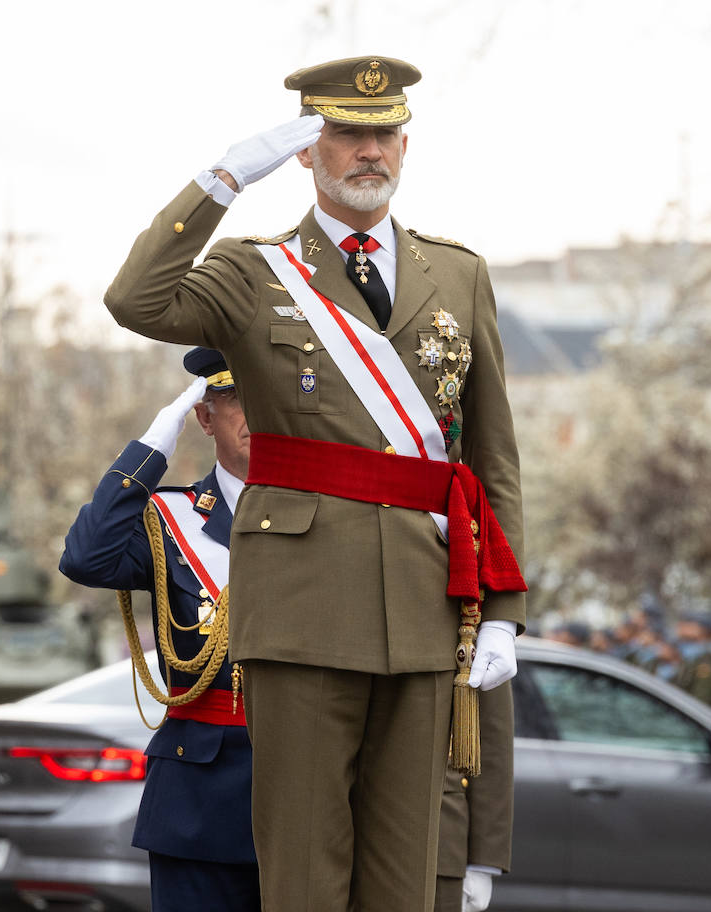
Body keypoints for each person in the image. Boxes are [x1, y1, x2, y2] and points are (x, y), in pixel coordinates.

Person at [104, 56, 526, 911]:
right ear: (306, 149)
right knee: (301, 870)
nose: (367, 151)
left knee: (406, 876)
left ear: (405, 144)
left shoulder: (459, 273)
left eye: (383, 134)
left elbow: (491, 456)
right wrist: (220, 181)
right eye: (344, 133)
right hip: (300, 604)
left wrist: (506, 611)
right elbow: (135, 300)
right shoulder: (253, 272)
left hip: (423, 602)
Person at [59, 348, 259, 912]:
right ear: (204, 416)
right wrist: (154, 443)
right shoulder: (170, 518)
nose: (257, 414)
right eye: (237, 398)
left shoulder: (332, 512)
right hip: (199, 796)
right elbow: (86, 558)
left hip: (307, 782)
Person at [670, 612, 711, 713]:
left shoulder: (707, 663)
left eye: (690, 624)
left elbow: (701, 703)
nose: (683, 627)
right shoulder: (695, 657)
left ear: (702, 630)